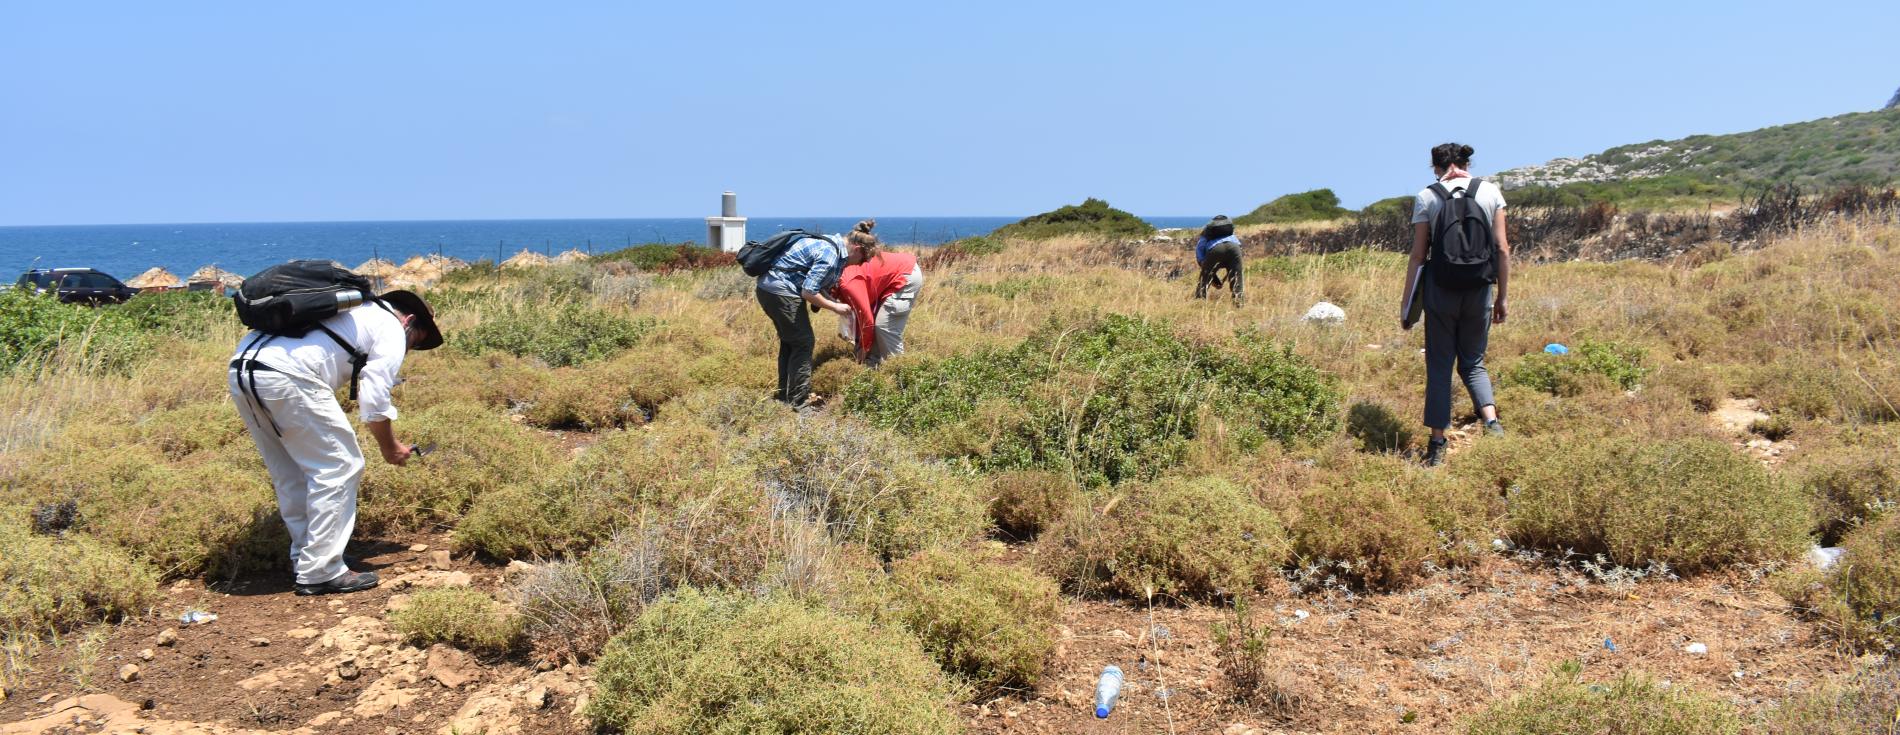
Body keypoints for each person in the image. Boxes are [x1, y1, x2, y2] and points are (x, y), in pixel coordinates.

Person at [228, 290, 442, 595]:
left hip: (242, 369)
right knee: (341, 466)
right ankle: (321, 570)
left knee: (291, 471)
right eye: (417, 340)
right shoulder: (393, 327)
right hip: (289, 376)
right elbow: (375, 396)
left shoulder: (351, 310)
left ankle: (308, 557)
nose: (411, 349)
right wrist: (390, 447)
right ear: (409, 320)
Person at [1400, 142, 1510, 467]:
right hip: (1479, 289)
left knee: (1439, 366)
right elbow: (1502, 248)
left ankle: (1437, 443)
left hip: (1440, 290)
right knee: (1474, 361)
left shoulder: (1427, 197)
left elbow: (1419, 255)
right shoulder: (1490, 192)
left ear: (1435, 166)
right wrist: (1502, 295)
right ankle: (1491, 422)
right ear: (1467, 161)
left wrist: (1408, 305)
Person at [756, 228, 850, 407]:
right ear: (858, 249)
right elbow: (808, 292)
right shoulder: (830, 254)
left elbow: (811, 280)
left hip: (767, 288)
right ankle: (799, 402)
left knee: (790, 342)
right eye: (863, 259)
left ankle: (784, 396)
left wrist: (832, 302)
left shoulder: (829, 242)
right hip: (781, 292)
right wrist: (835, 306)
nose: (859, 264)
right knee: (803, 342)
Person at [834, 220, 923, 366]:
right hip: (892, 275)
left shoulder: (848, 283)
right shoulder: (840, 275)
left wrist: (863, 347)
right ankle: (873, 365)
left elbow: (866, 319)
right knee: (875, 326)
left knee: (884, 326)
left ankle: (899, 371)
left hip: (905, 275)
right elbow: (862, 316)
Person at [1193, 215, 1243, 304]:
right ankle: (1238, 302)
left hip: (1215, 249)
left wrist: (1210, 275)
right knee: (1236, 277)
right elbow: (1238, 246)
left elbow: (1200, 253)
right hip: (1235, 248)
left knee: (1204, 278)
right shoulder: (1229, 232)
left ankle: (1199, 301)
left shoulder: (1205, 233)